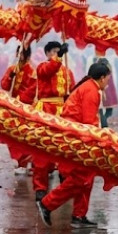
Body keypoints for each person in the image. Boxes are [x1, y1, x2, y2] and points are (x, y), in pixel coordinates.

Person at [37, 62, 111, 229]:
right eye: (108, 78)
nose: (108, 82)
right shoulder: (91, 90)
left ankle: (79, 215)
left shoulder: (89, 87)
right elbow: (89, 122)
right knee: (81, 178)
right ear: (102, 77)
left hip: (75, 135)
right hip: (76, 138)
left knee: (87, 177)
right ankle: (47, 204)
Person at [32, 41, 75, 202]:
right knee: (42, 150)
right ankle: (40, 188)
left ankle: (64, 179)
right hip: (46, 110)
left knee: (64, 148)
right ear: (48, 53)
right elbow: (49, 70)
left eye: (60, 52)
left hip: (62, 110)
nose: (59, 55)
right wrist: (58, 58)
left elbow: (71, 92)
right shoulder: (42, 67)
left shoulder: (67, 71)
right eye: (56, 52)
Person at [0, 44, 36, 173]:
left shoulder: (32, 70)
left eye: (22, 54)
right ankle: (17, 159)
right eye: (19, 54)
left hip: (25, 108)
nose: (20, 57)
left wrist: (20, 100)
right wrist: (10, 76)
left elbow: (32, 89)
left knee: (25, 136)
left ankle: (25, 163)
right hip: (13, 106)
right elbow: (4, 85)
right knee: (12, 134)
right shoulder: (12, 68)